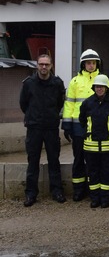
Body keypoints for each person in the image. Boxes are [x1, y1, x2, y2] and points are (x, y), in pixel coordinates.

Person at [20, 54, 66, 207]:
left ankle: (57, 191)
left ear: (51, 65)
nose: (44, 67)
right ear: (37, 65)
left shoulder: (57, 83)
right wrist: (33, 116)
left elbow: (60, 103)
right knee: (33, 161)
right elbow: (23, 104)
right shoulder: (29, 84)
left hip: (51, 127)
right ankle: (31, 194)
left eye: (46, 64)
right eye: (41, 64)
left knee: (54, 160)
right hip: (34, 128)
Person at [78, 74, 109, 208]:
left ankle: (105, 198)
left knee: (107, 172)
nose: (99, 89)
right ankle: (95, 198)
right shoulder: (87, 103)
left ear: (107, 88)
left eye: (102, 86)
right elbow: (82, 120)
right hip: (91, 145)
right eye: (97, 86)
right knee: (92, 172)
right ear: (94, 88)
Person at [61, 49, 101, 202]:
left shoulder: (102, 79)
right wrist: (67, 124)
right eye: (88, 63)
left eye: (93, 62)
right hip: (78, 127)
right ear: (83, 64)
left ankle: (93, 189)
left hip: (96, 127)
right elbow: (69, 103)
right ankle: (78, 190)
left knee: (94, 160)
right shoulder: (75, 81)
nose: (91, 65)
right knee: (78, 159)